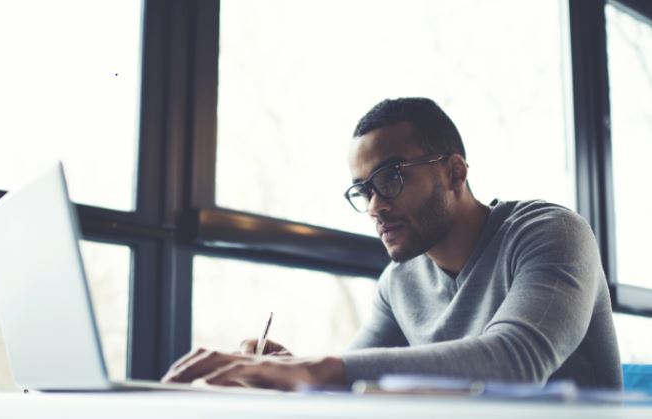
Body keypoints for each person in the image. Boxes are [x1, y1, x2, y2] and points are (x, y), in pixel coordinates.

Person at [162, 97, 622, 391]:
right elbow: (355, 373)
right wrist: (292, 373)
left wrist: (320, 369)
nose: (375, 207)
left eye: (392, 178)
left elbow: (517, 360)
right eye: (363, 190)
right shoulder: (398, 283)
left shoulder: (550, 233)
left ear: (455, 173)